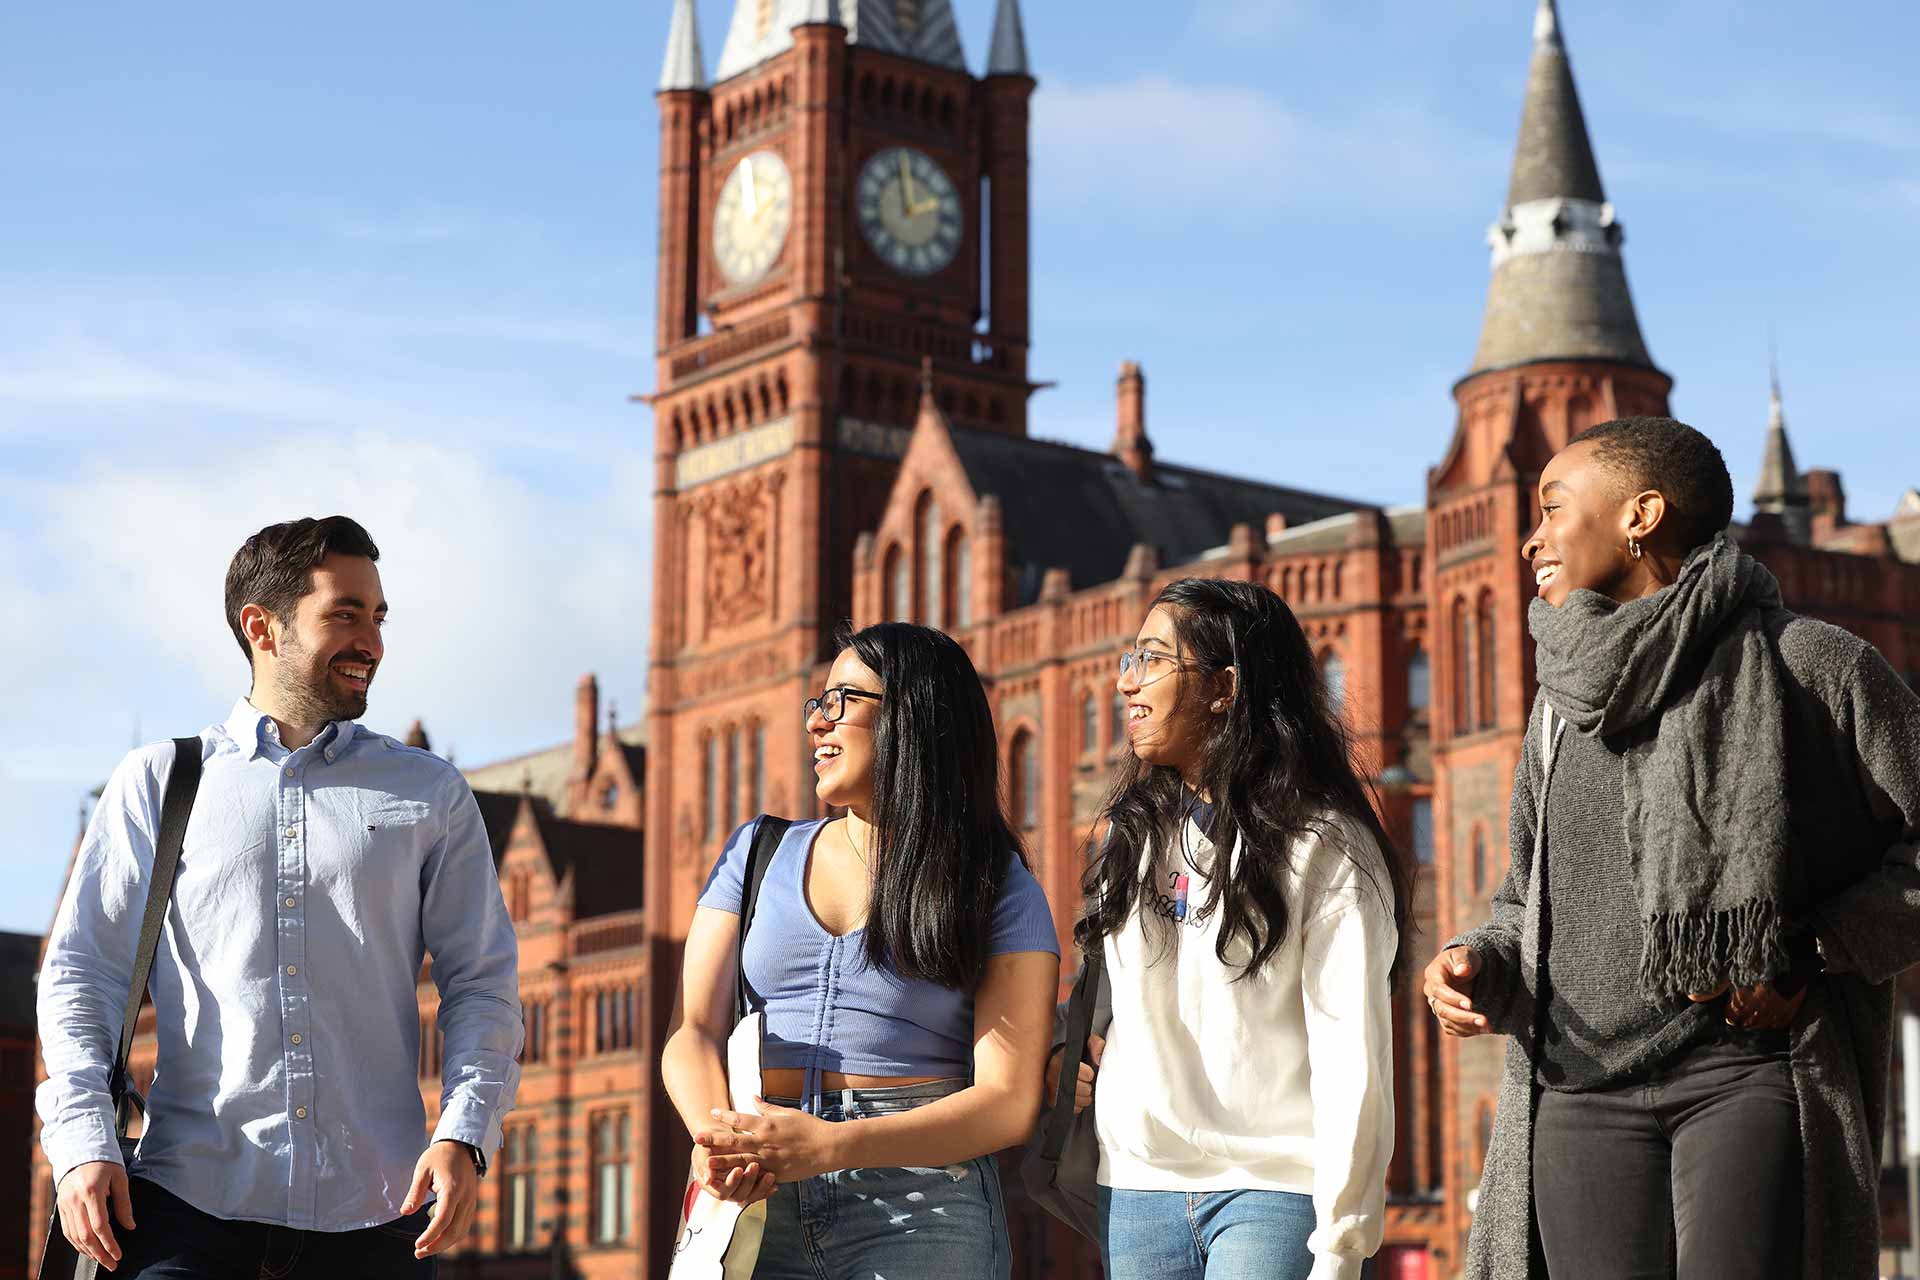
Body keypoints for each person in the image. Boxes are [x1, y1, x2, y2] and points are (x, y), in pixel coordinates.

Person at [1423, 416, 1920, 1280]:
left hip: (1745, 1081)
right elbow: (1525, 896)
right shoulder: (1559, 708)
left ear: (1640, 515)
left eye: (1551, 506)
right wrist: (1475, 959)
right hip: (1576, 1094)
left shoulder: (1810, 667)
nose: (1531, 535)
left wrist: (1815, 946)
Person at [38, 516, 523, 1278]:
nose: (373, 643)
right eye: (345, 613)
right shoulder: (158, 783)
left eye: (378, 617)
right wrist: (79, 1146)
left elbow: (483, 982)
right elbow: (82, 975)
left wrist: (466, 1134)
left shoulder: (429, 792)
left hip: (377, 1219)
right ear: (261, 626)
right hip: (185, 1212)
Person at [661, 622, 1060, 1279]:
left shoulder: (996, 883)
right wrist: (716, 1142)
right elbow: (693, 1030)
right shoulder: (756, 852)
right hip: (756, 1191)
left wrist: (833, 1146)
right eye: (817, 703)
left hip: (923, 1205)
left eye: (842, 700)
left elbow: (1010, 1100)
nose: (818, 723)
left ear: (916, 717)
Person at [1047, 577, 1411, 1280]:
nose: (1129, 683)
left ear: (1224, 688)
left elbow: (1352, 1055)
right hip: (1137, 1188)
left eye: (1153, 659)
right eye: (1131, 660)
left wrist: (1341, 1245)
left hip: (1274, 1189)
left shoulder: (1324, 845)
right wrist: (1068, 1046)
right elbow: (1119, 1003)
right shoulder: (1135, 837)